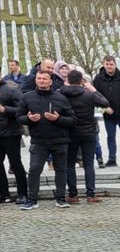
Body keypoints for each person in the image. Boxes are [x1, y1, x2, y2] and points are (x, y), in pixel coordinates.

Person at [18, 69, 76, 210]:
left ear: (50, 81)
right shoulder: (27, 97)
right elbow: (19, 117)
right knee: (34, 169)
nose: (41, 81)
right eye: (39, 78)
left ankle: (61, 198)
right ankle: (32, 199)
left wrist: (58, 119)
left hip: (59, 140)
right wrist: (29, 119)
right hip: (39, 141)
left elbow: (73, 120)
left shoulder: (61, 98)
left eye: (44, 79)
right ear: (35, 80)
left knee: (61, 170)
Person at [60, 69, 110, 204]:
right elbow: (105, 103)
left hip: (70, 132)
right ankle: (90, 194)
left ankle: (73, 194)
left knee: (69, 163)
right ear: (81, 80)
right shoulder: (89, 95)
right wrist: (93, 89)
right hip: (88, 132)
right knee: (88, 163)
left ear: (68, 80)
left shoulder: (61, 94)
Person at [93, 55, 120, 167]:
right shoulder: (98, 79)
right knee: (110, 137)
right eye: (107, 64)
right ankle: (112, 159)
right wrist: (104, 108)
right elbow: (95, 96)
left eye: (111, 64)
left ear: (115, 65)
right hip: (108, 114)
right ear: (103, 65)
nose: (109, 66)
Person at [1, 78, 28, 203]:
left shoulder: (11, 89)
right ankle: (3, 194)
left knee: (15, 163)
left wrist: (5, 109)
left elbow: (22, 109)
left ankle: (22, 193)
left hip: (11, 133)